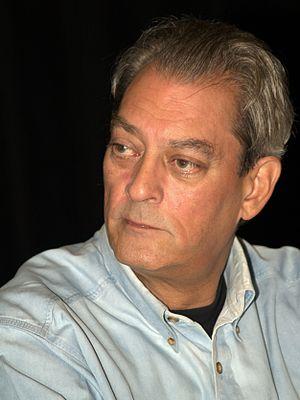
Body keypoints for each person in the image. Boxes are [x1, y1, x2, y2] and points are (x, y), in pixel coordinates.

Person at [0, 16, 299, 399]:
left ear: (254, 188)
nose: (138, 187)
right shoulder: (38, 333)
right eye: (124, 148)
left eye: (183, 162)